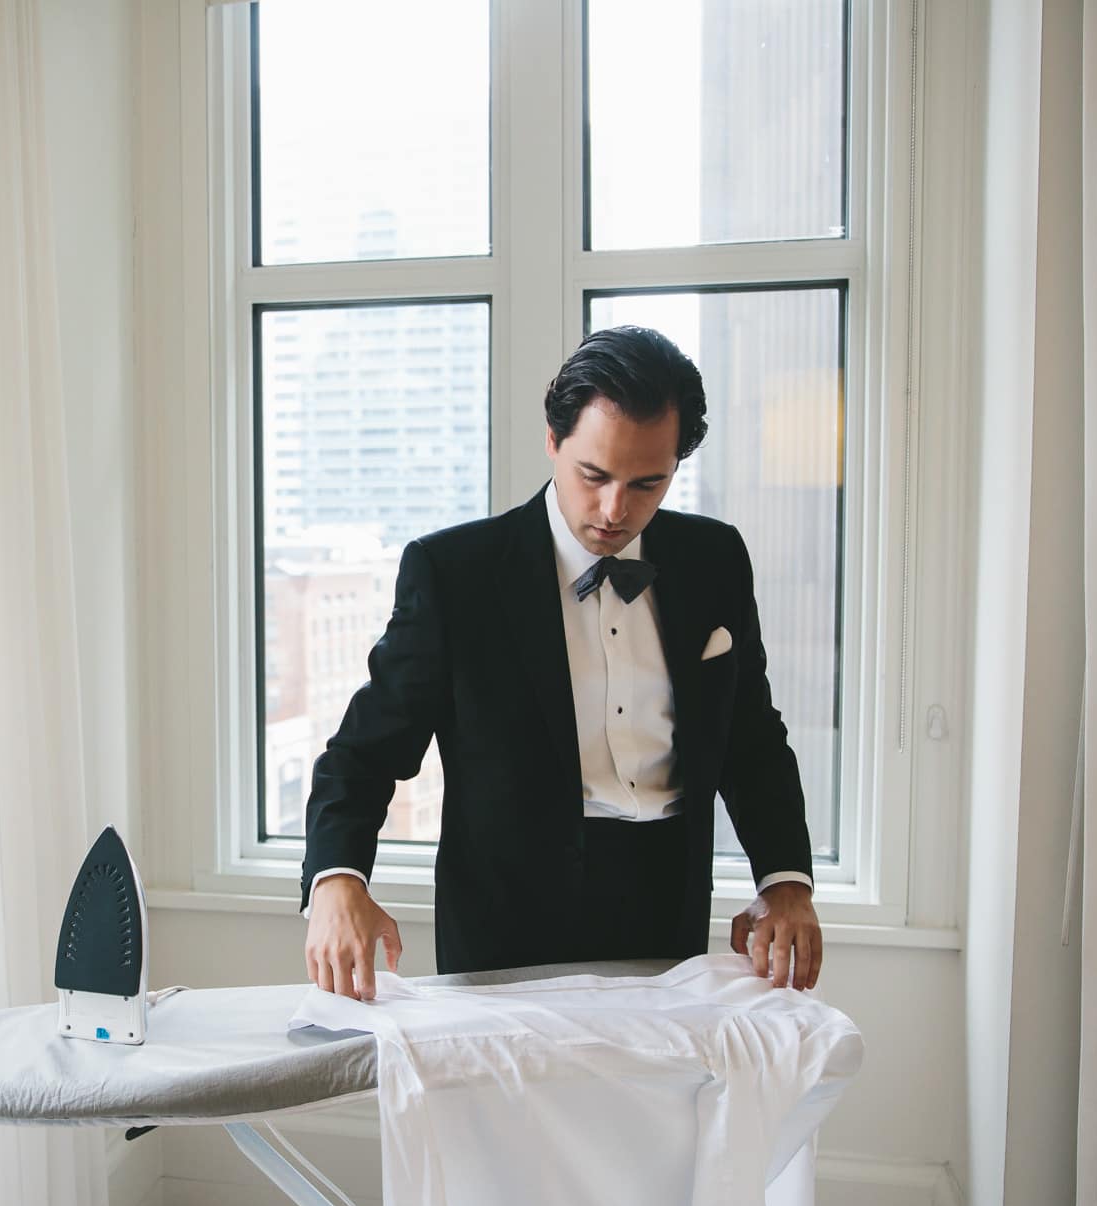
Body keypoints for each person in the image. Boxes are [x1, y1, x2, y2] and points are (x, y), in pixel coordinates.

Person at [301, 326, 823, 1000]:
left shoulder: (715, 560)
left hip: (667, 933)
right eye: (593, 475)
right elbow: (362, 752)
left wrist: (783, 881)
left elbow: (751, 740)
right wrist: (339, 878)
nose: (614, 509)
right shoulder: (456, 573)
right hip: (505, 940)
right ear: (553, 441)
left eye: (647, 483)